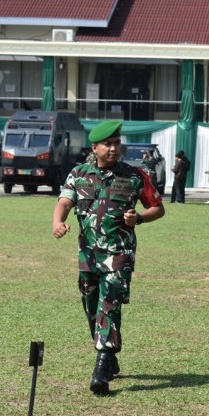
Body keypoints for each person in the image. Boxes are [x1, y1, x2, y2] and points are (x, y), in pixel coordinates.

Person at [51, 120, 165, 395]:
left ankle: (102, 367)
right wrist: (58, 221)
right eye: (108, 144)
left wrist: (138, 217)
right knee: (91, 304)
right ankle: (110, 351)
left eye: (117, 143)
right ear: (95, 148)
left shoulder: (134, 175)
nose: (114, 148)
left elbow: (158, 208)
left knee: (109, 305)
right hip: (88, 253)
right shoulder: (78, 173)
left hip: (119, 254)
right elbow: (65, 201)